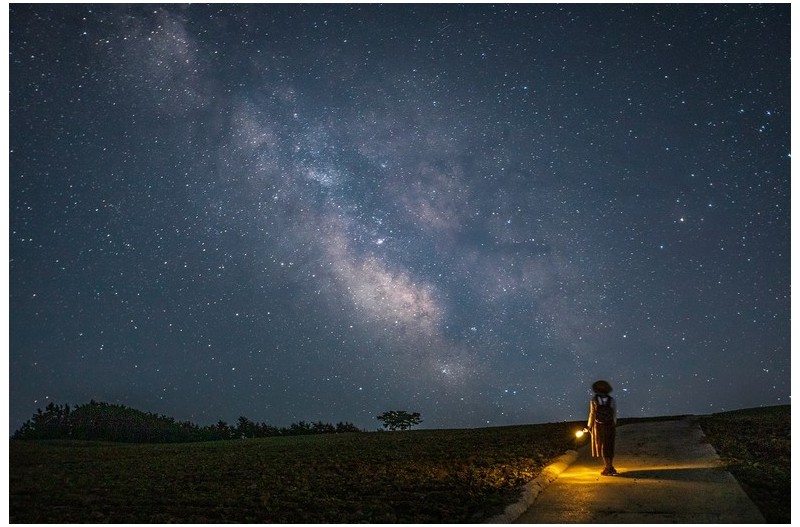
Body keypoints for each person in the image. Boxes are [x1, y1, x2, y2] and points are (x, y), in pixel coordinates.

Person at [585, 379, 617, 476]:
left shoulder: (594, 400)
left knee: (602, 446)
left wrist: (588, 426)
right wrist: (613, 424)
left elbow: (592, 414)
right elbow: (614, 414)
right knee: (609, 446)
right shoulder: (611, 400)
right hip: (610, 425)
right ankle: (610, 466)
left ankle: (607, 467)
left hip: (599, 426)